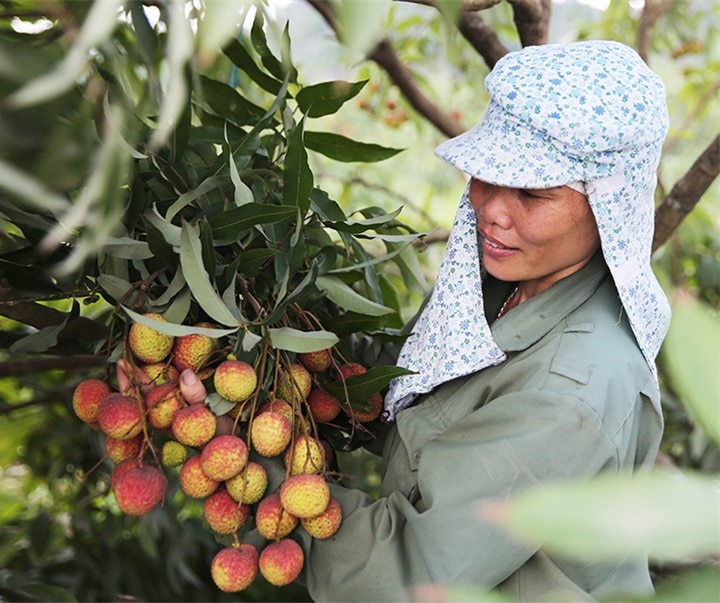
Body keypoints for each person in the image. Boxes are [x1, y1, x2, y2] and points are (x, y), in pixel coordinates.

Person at [175, 40, 671, 601]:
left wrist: (236, 447)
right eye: (486, 174)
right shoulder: (501, 286)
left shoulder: (568, 389)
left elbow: (407, 570)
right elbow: (413, 392)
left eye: (532, 193)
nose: (491, 210)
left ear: (610, 207)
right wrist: (274, 355)